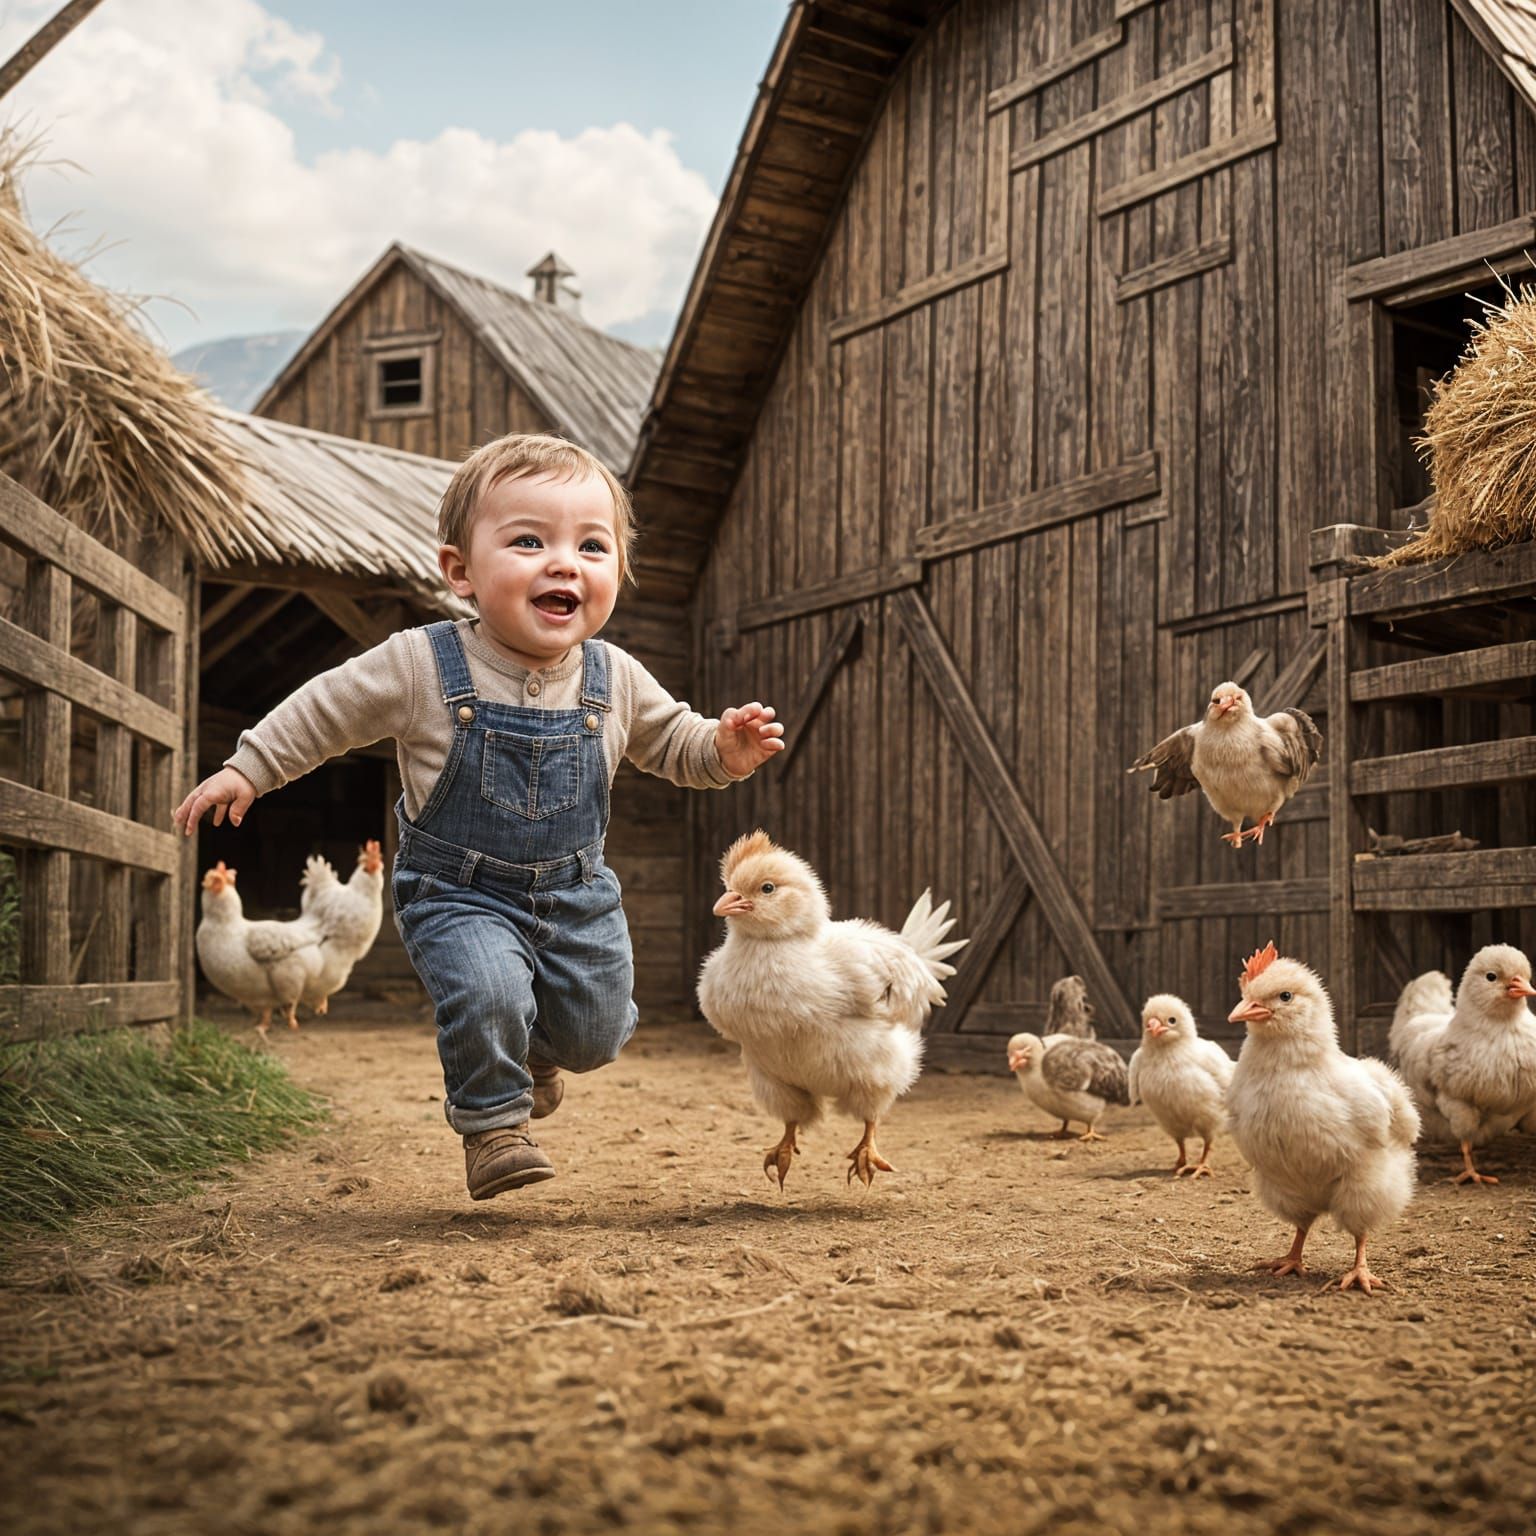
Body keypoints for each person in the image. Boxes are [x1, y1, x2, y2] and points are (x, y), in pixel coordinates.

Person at [174, 433, 783, 1199]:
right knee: (488, 989)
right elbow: (327, 708)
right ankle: (493, 1126)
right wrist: (251, 765)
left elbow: (674, 742)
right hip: (457, 892)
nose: (564, 561)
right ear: (460, 571)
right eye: (529, 540)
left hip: (575, 893)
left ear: (618, 572)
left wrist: (722, 750)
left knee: (597, 1032)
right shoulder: (421, 663)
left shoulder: (614, 677)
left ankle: (536, 1058)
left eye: (592, 546)